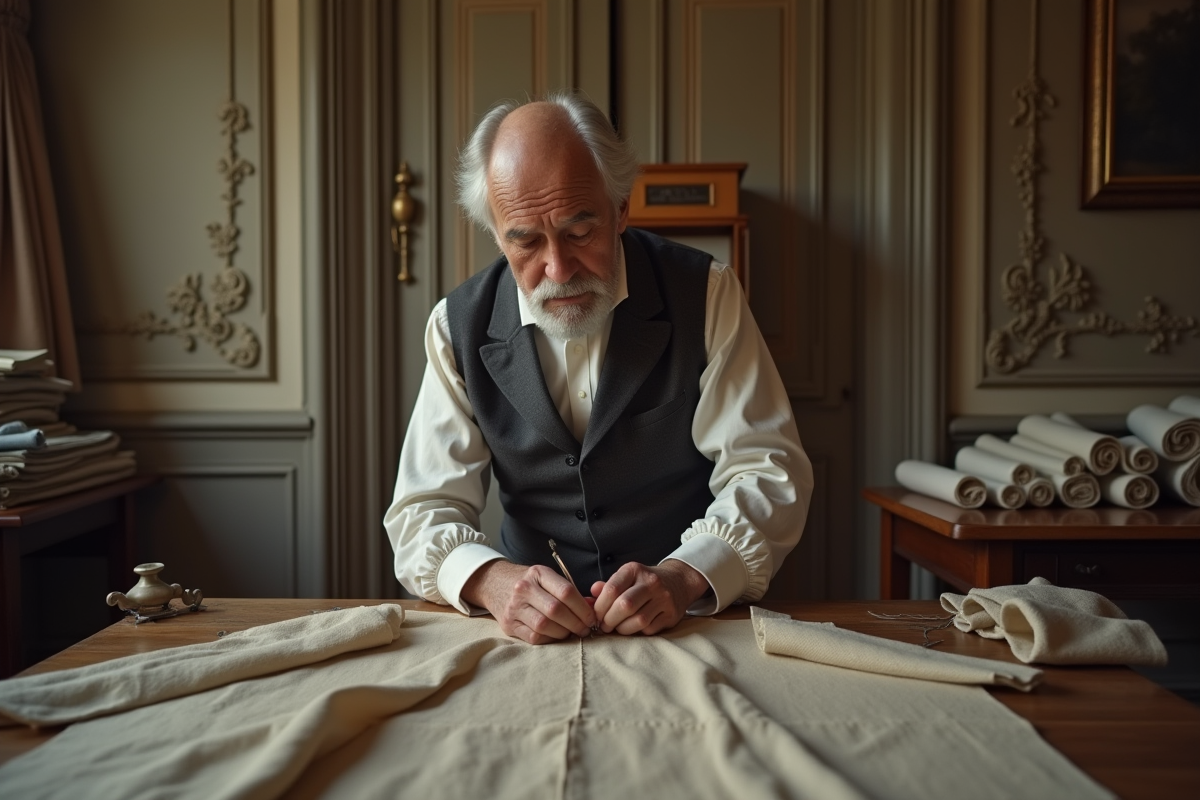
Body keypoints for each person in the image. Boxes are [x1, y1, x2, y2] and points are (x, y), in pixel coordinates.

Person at [385, 91, 813, 645]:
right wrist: (492, 582)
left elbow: (767, 469)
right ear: (497, 234)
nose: (558, 269)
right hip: (523, 635)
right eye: (527, 241)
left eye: (579, 230)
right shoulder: (455, 327)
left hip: (684, 626)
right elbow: (421, 511)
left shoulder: (705, 294)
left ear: (621, 211)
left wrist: (684, 577)